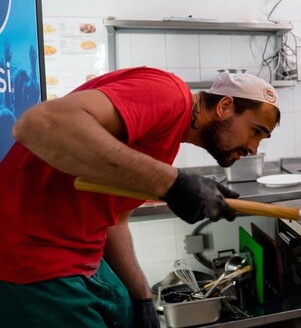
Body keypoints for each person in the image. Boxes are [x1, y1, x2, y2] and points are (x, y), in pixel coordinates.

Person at [0, 67, 281, 327]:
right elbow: (39, 124)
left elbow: (115, 220)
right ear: (225, 106)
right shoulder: (169, 92)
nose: (253, 148)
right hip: (32, 259)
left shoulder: (165, 143)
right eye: (255, 131)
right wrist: (172, 183)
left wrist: (143, 297)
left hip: (84, 256)